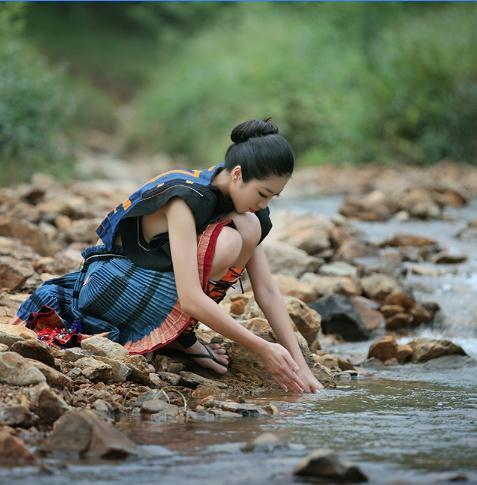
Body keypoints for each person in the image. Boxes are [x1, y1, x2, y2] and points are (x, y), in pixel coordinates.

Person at [13, 119, 323, 393]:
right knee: (227, 240)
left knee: (250, 226)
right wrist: (262, 348)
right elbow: (189, 298)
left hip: (152, 285)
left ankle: (177, 333)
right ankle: (178, 334)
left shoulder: (241, 205)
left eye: (273, 196)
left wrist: (302, 368)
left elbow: (266, 290)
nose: (265, 203)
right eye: (263, 194)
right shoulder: (186, 199)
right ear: (239, 174)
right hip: (108, 286)